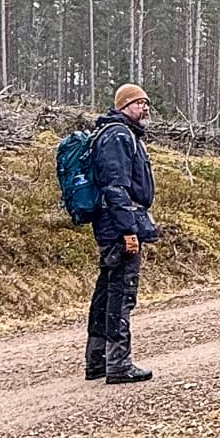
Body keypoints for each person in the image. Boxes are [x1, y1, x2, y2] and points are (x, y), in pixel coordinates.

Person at [85, 83, 159, 383]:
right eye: (139, 103)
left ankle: (97, 360)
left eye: (146, 103)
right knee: (121, 292)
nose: (145, 108)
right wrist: (129, 230)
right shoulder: (118, 136)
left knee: (107, 289)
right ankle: (118, 364)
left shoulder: (116, 134)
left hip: (112, 221)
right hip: (118, 223)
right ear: (124, 106)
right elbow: (115, 186)